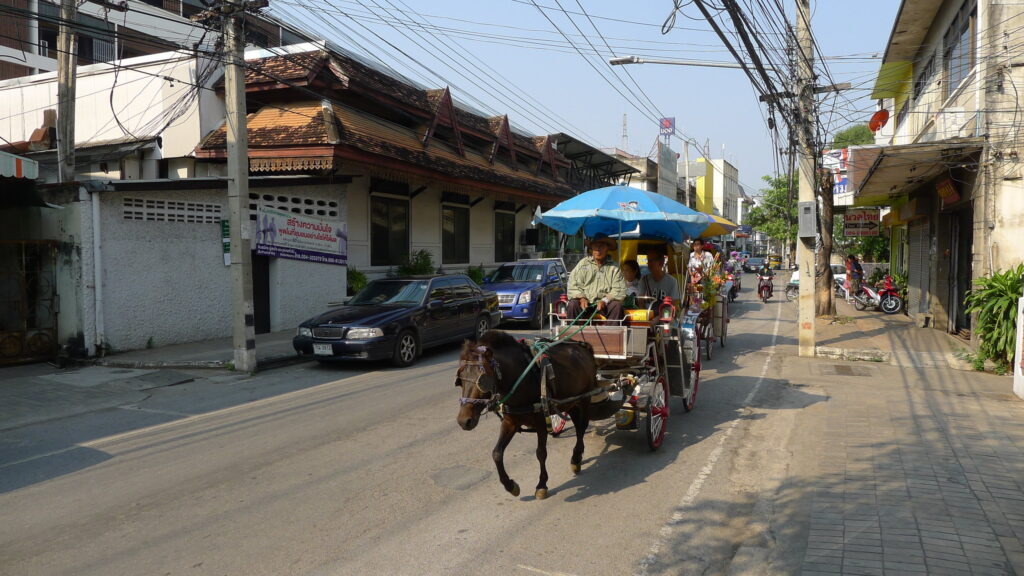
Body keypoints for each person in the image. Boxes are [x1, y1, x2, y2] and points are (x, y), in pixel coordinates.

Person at [566, 234, 626, 320]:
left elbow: (619, 290)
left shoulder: (614, 268)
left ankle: (611, 333)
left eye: (601, 246)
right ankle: (573, 332)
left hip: (605, 303)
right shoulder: (583, 264)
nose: (598, 249)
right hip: (585, 302)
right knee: (572, 305)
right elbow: (573, 283)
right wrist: (582, 297)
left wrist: (605, 300)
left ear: (607, 248)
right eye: (595, 246)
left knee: (617, 306)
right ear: (592, 249)